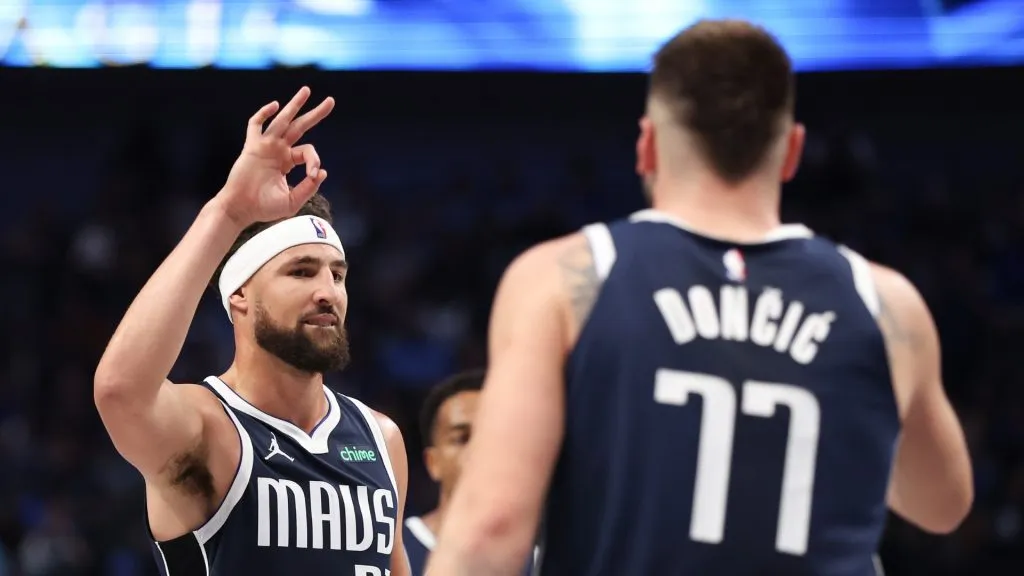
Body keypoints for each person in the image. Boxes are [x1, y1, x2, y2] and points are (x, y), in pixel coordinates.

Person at [426, 19, 974, 576]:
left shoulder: (564, 277)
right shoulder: (884, 303)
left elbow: (492, 529)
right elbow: (944, 504)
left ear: (647, 146)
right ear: (792, 151)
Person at [94, 87, 411, 576]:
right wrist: (227, 213)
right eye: (302, 272)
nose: (328, 291)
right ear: (239, 295)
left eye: (338, 273)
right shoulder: (206, 428)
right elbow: (119, 390)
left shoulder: (381, 438)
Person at [404, 370, 537, 576]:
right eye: (463, 438)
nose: (479, 450)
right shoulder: (394, 549)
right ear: (433, 462)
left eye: (491, 434)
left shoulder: (541, 556)